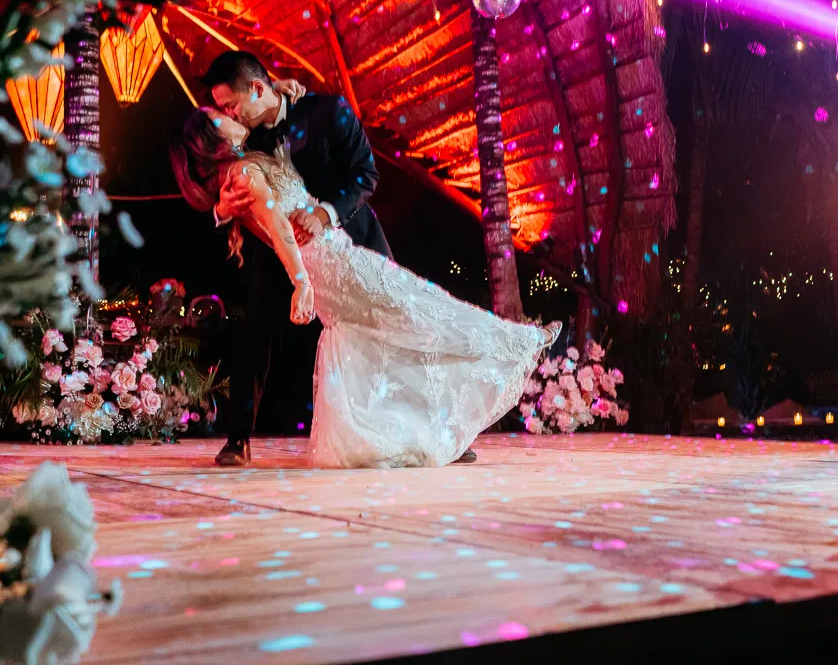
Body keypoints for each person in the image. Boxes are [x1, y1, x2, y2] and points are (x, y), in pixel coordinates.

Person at [173, 52, 555, 468]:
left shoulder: (327, 111)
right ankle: (238, 439)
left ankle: (435, 434)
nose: (229, 114)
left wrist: (325, 215)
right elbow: (215, 180)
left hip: (349, 239)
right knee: (256, 330)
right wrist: (221, 210)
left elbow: (365, 175)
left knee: (404, 330)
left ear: (258, 89)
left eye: (231, 105)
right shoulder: (243, 138)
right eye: (223, 109)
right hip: (281, 253)